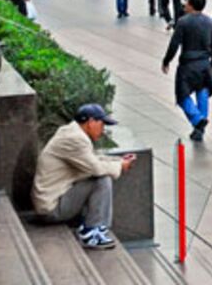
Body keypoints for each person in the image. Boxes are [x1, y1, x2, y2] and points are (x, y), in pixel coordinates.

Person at [32, 104, 135, 250]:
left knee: (99, 175)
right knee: (102, 180)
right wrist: (120, 166)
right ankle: (92, 233)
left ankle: (93, 228)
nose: (103, 129)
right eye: (102, 124)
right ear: (91, 122)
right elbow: (96, 168)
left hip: (54, 200)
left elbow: (92, 159)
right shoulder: (75, 139)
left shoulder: (72, 132)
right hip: (51, 208)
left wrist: (119, 161)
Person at [161, 0, 212, 142]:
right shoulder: (209, 22)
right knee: (202, 92)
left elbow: (174, 44)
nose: (185, 4)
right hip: (204, 63)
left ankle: (197, 119)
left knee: (182, 96)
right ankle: (200, 126)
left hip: (188, 64)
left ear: (191, 5)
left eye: (187, 2)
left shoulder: (183, 22)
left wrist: (166, 60)